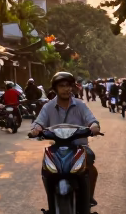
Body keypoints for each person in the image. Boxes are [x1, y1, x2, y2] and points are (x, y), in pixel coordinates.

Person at [29, 71, 101, 206]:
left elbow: (91, 120)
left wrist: (94, 126)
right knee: (46, 168)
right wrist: (36, 129)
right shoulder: (48, 106)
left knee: (90, 165)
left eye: (68, 85)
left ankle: (88, 197)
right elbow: (39, 122)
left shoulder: (80, 105)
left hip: (80, 147)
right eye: (62, 85)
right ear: (55, 88)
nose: (66, 89)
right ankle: (51, 200)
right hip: (56, 148)